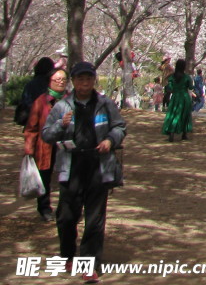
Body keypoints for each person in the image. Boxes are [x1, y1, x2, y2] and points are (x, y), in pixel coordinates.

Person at [41, 61, 127, 283]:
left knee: (95, 219)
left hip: (98, 166)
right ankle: (68, 255)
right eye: (80, 79)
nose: (85, 83)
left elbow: (119, 127)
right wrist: (61, 124)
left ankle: (90, 264)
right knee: (67, 216)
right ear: (74, 81)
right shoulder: (62, 106)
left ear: (94, 80)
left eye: (88, 78)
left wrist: (110, 140)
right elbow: (47, 135)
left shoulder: (105, 104)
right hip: (71, 166)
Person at [24, 67, 68, 222]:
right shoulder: (41, 101)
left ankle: (65, 208)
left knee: (66, 177)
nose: (60, 82)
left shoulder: (71, 99)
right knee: (44, 177)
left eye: (63, 79)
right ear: (49, 82)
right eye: (57, 79)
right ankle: (44, 208)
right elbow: (32, 126)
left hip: (66, 146)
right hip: (45, 145)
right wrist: (29, 147)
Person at [162, 59, 195, 142]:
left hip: (175, 97)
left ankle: (171, 132)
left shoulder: (172, 77)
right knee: (185, 114)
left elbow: (169, 88)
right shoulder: (187, 77)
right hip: (184, 97)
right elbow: (191, 87)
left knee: (173, 114)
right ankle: (184, 134)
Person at [18, 57, 56, 123]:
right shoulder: (53, 84)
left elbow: (25, 103)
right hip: (49, 120)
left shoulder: (30, 85)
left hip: (32, 120)